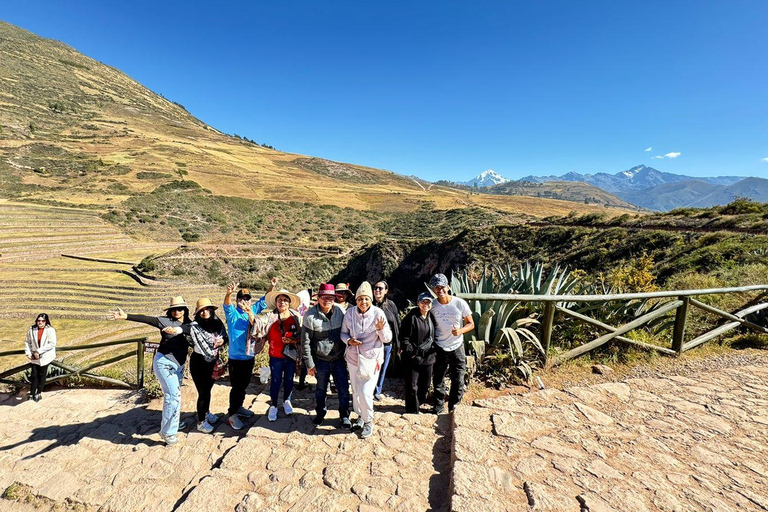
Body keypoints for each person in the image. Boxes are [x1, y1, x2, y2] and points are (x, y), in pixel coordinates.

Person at [110, 297, 192, 445]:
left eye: (180, 309)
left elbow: (195, 330)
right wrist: (126, 316)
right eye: (173, 309)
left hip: (179, 365)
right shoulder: (164, 321)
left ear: (185, 310)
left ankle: (174, 422)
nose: (176, 312)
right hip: (164, 363)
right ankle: (168, 433)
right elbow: (147, 319)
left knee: (176, 396)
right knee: (172, 396)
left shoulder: (189, 324)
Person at [222, 279, 277, 430]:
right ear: (237, 300)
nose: (244, 301)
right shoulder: (233, 313)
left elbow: (264, 300)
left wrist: (271, 286)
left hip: (249, 355)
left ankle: (239, 407)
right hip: (235, 358)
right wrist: (229, 293)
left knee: (244, 385)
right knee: (236, 387)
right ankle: (232, 414)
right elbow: (227, 305)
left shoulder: (252, 311)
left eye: (247, 298)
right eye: (241, 298)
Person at [341, 281, 392, 439]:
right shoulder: (349, 314)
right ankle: (360, 417)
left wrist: (381, 329)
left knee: (365, 392)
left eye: (366, 299)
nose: (363, 302)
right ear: (356, 300)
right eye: (360, 299)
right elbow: (343, 333)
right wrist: (349, 341)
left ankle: (368, 420)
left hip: (371, 359)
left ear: (371, 300)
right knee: (356, 391)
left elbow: (387, 339)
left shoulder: (378, 314)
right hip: (353, 358)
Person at [301, 283, 350, 427]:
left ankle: (344, 415)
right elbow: (305, 342)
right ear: (319, 298)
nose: (327, 300)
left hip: (339, 359)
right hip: (320, 360)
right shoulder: (310, 316)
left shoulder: (341, 312)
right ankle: (320, 413)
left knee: (343, 389)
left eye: (330, 297)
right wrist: (309, 364)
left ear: (334, 298)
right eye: (324, 297)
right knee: (321, 389)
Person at [429, 273, 474, 414]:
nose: (440, 290)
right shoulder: (432, 305)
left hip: (457, 346)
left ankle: (454, 408)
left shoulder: (459, 303)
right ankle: (438, 406)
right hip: (439, 346)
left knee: (459, 379)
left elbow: (471, 323)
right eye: (437, 288)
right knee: (438, 378)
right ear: (434, 289)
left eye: (442, 287)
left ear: (448, 287)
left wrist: (460, 331)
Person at [261, 288, 302, 422]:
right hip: (275, 355)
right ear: (276, 302)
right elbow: (258, 327)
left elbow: (302, 336)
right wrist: (250, 312)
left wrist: (293, 340)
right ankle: (273, 405)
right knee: (276, 380)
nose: (282, 302)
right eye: (280, 300)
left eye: (285, 300)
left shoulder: (296, 317)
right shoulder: (270, 317)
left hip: (290, 355)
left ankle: (287, 401)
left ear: (289, 303)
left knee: (289, 379)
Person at [189, 298, 228, 433]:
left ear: (211, 310)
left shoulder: (217, 323)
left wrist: (222, 341)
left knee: (208, 390)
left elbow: (226, 337)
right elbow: (183, 331)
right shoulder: (194, 326)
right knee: (203, 392)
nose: (205, 312)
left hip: (212, 362)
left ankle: (206, 413)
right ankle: (201, 422)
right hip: (199, 363)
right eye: (201, 310)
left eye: (207, 309)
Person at [399, 293, 438, 414]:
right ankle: (412, 410)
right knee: (412, 386)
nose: (425, 305)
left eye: (428, 302)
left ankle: (419, 403)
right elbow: (404, 337)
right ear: (418, 303)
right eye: (423, 302)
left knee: (425, 384)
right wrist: (412, 352)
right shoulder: (411, 318)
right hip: (413, 358)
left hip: (428, 357)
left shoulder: (431, 317)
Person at [372, 280, 400, 401]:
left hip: (387, 343)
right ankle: (369, 390)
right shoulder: (369, 304)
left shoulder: (391, 305)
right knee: (371, 367)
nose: (377, 290)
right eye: (375, 288)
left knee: (383, 367)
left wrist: (398, 343)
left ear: (386, 291)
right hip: (372, 342)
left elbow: (397, 324)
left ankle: (377, 390)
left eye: (380, 288)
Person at [24, 313, 57, 402]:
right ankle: (31, 394)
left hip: (45, 356)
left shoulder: (50, 330)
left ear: (46, 321)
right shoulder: (31, 329)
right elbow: (27, 341)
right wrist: (28, 352)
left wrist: (39, 351)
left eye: (43, 321)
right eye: (39, 321)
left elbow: (52, 343)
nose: (40, 322)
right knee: (34, 375)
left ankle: (39, 393)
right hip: (34, 357)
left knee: (42, 375)